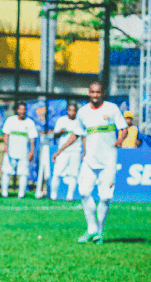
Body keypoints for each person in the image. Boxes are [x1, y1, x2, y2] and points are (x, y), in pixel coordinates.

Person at [52, 81, 128, 245]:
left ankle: (99, 231)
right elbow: (76, 134)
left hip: (108, 160)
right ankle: (92, 229)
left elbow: (124, 128)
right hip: (89, 160)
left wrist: (120, 140)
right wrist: (59, 151)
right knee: (84, 192)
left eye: (98, 92)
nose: (95, 95)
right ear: (89, 93)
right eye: (93, 92)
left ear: (102, 93)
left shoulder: (112, 109)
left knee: (105, 197)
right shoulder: (83, 112)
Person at [0, 102, 38, 199]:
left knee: (23, 173)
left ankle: (21, 194)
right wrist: (6, 147)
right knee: (7, 172)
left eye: (24, 109)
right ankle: (4, 193)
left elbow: (32, 139)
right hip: (10, 152)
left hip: (23, 153)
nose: (22, 111)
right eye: (20, 109)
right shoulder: (10, 120)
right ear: (17, 110)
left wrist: (31, 151)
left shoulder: (30, 122)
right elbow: (6, 135)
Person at [50, 103, 85, 201]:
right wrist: (61, 132)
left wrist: (84, 151)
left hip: (75, 151)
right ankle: (53, 195)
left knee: (73, 174)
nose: (72, 112)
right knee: (57, 172)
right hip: (63, 151)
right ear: (67, 111)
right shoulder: (61, 120)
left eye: (74, 110)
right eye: (70, 110)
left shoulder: (79, 122)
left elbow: (82, 137)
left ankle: (70, 196)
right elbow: (55, 134)